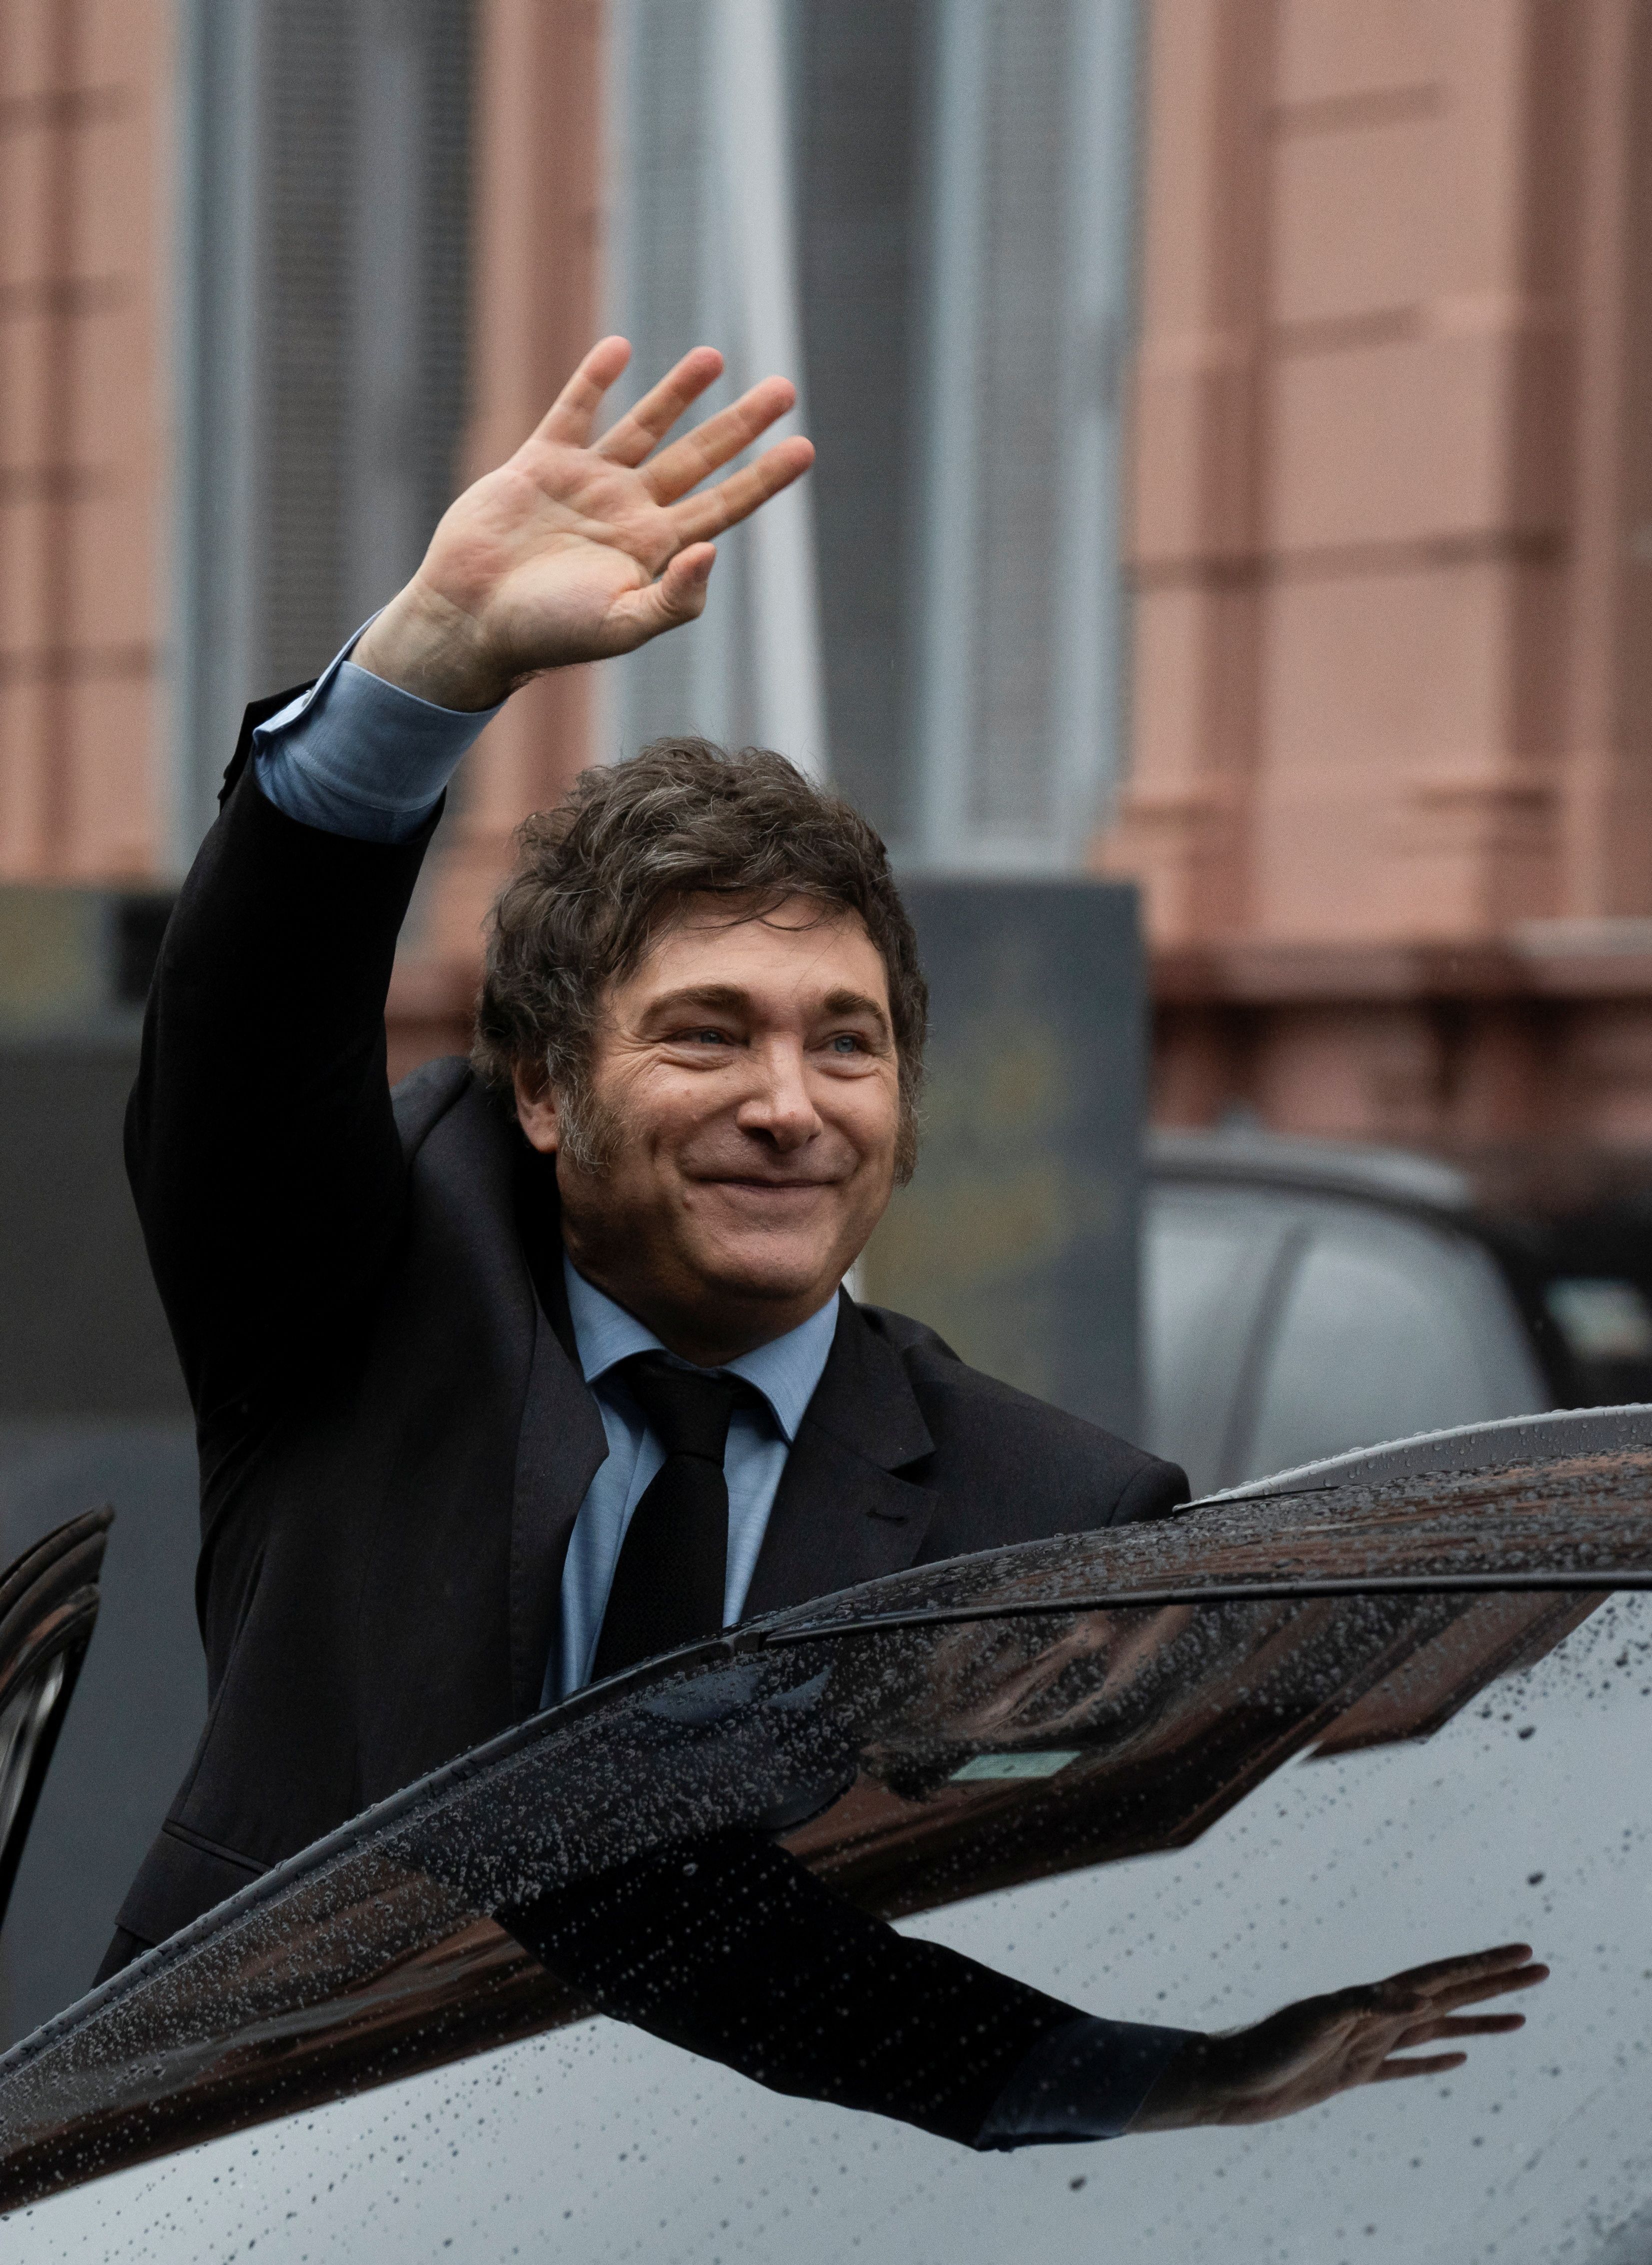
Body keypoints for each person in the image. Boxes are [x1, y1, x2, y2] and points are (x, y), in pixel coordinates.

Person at [102, 338, 1543, 2146]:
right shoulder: (366, 1303)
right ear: (544, 1089)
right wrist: (423, 673)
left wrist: (1181, 2080)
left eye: (844, 1042)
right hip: (241, 2199)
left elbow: (1123, 1921)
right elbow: (239, 1052)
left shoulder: (1060, 1516)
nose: (791, 1102)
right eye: (707, 1032)